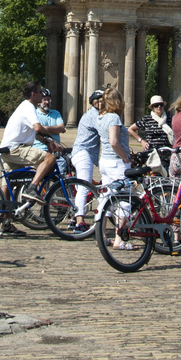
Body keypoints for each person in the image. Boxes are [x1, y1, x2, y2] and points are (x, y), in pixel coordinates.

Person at [0, 82, 55, 197]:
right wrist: (50, 136)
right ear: (33, 94)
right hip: (16, 149)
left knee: (10, 183)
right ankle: (33, 187)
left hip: (7, 150)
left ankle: (4, 212)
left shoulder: (24, 106)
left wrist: (46, 141)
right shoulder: (28, 107)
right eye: (40, 92)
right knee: (50, 158)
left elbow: (33, 133)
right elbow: (37, 127)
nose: (42, 94)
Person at [95, 88, 136, 250]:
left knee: (106, 199)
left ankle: (102, 236)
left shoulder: (101, 117)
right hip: (116, 163)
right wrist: (125, 157)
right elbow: (114, 142)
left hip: (104, 161)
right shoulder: (113, 118)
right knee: (125, 201)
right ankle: (119, 239)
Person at [69, 89, 106, 226]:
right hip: (84, 153)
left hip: (82, 153)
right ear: (94, 103)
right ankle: (80, 221)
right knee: (84, 187)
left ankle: (74, 219)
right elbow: (105, 131)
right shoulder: (94, 116)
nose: (103, 103)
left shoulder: (91, 114)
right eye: (100, 101)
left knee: (80, 188)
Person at [135, 94, 174, 170]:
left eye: (161, 105)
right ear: (152, 108)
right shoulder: (147, 119)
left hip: (166, 155)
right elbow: (130, 129)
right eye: (156, 105)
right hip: (152, 155)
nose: (159, 107)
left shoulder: (169, 119)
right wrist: (141, 140)